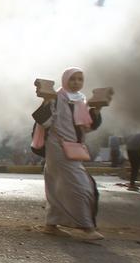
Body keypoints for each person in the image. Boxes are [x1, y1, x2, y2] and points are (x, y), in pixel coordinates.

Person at [31, 67, 104, 240]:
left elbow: (87, 127)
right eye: (73, 79)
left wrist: (98, 109)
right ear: (65, 80)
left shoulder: (80, 100)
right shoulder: (57, 98)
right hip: (57, 148)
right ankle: (86, 228)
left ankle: (52, 225)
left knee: (58, 185)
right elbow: (43, 120)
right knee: (80, 186)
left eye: (80, 79)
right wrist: (47, 101)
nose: (76, 82)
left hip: (72, 149)